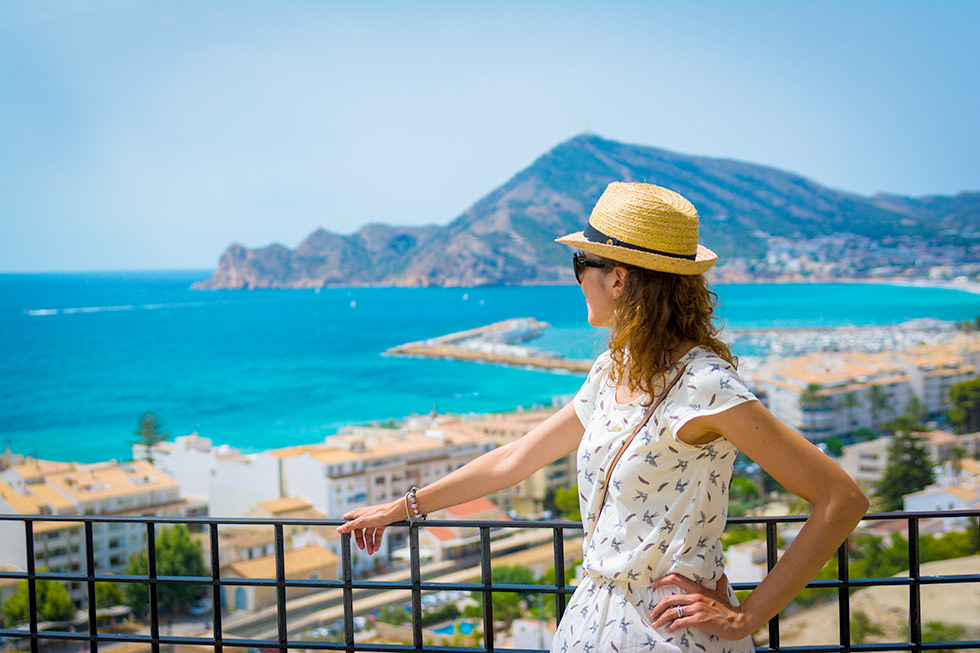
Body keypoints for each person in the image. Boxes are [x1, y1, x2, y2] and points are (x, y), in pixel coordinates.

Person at [338, 182, 869, 652]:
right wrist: (403, 507)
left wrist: (749, 615)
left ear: (618, 279)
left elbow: (841, 498)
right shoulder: (612, 371)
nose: (576, 281)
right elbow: (518, 457)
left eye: (579, 266)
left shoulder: (705, 384)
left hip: (668, 632)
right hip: (590, 619)